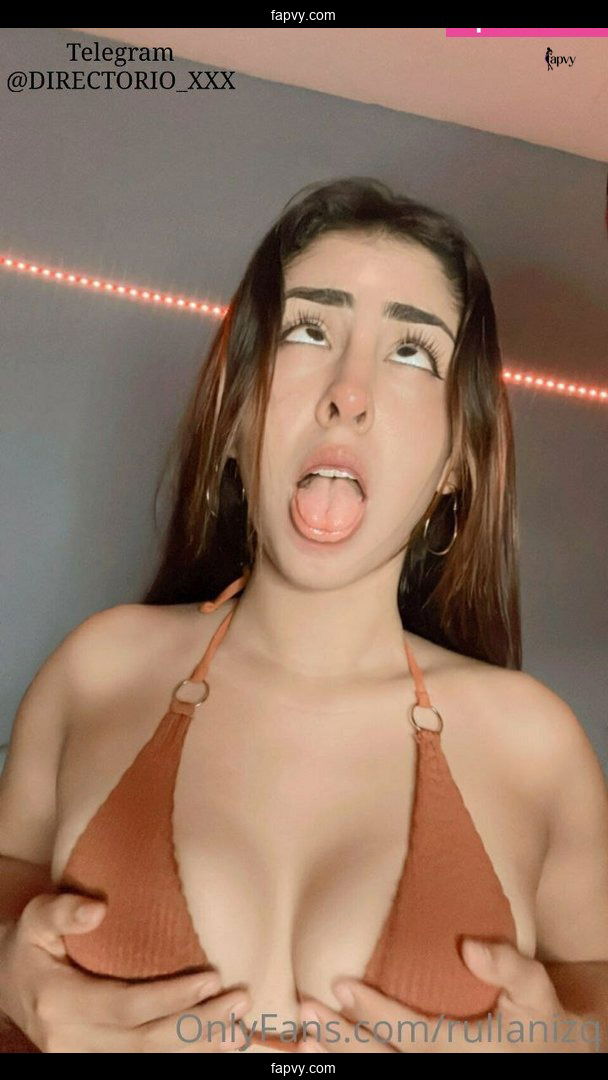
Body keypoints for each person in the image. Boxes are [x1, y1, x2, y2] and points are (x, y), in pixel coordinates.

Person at [1, 177, 607, 1055]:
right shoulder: (97, 672)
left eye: (411, 352)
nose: (348, 393)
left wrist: (569, 1044)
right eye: (308, 331)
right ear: (237, 414)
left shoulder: (537, 747)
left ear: (457, 460)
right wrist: (7, 978)